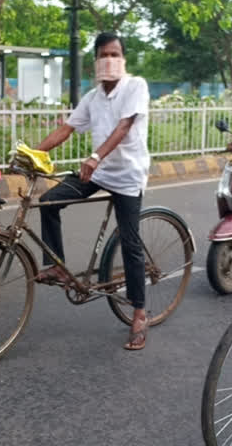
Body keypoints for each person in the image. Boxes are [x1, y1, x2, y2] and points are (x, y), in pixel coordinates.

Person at [34, 32, 151, 350]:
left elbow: (124, 127)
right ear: (96, 61)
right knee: (48, 201)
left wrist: (96, 156)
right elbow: (66, 129)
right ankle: (56, 264)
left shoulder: (135, 86)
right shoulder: (93, 96)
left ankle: (139, 313)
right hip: (98, 173)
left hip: (127, 176)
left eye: (114, 54)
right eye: (103, 55)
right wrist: (34, 153)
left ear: (122, 59)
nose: (109, 60)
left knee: (130, 244)